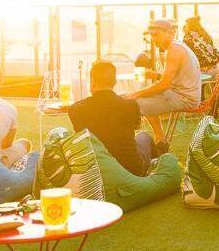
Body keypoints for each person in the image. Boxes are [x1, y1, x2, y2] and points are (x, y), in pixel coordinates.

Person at [69, 61, 159, 177]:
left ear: (92, 81)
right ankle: (158, 169)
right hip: (132, 170)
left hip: (96, 172)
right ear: (114, 82)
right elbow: (136, 126)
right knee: (144, 136)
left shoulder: (75, 110)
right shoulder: (131, 105)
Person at [125, 19, 201, 152]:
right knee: (141, 97)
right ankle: (160, 141)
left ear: (169, 32)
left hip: (184, 98)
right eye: (151, 36)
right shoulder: (177, 46)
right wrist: (156, 75)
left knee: (135, 104)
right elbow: (172, 79)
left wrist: (135, 94)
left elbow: (164, 85)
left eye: (156, 35)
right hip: (181, 93)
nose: (153, 39)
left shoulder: (174, 50)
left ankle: (152, 142)